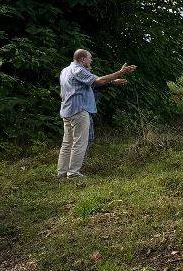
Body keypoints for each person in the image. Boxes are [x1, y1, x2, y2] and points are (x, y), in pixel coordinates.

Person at [57, 50, 136, 180]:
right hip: (79, 110)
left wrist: (112, 82)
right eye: (90, 58)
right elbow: (98, 81)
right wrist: (120, 72)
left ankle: (62, 172)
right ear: (82, 59)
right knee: (80, 142)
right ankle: (73, 173)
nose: (91, 60)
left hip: (67, 110)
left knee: (67, 143)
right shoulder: (79, 70)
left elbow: (63, 92)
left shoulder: (65, 71)